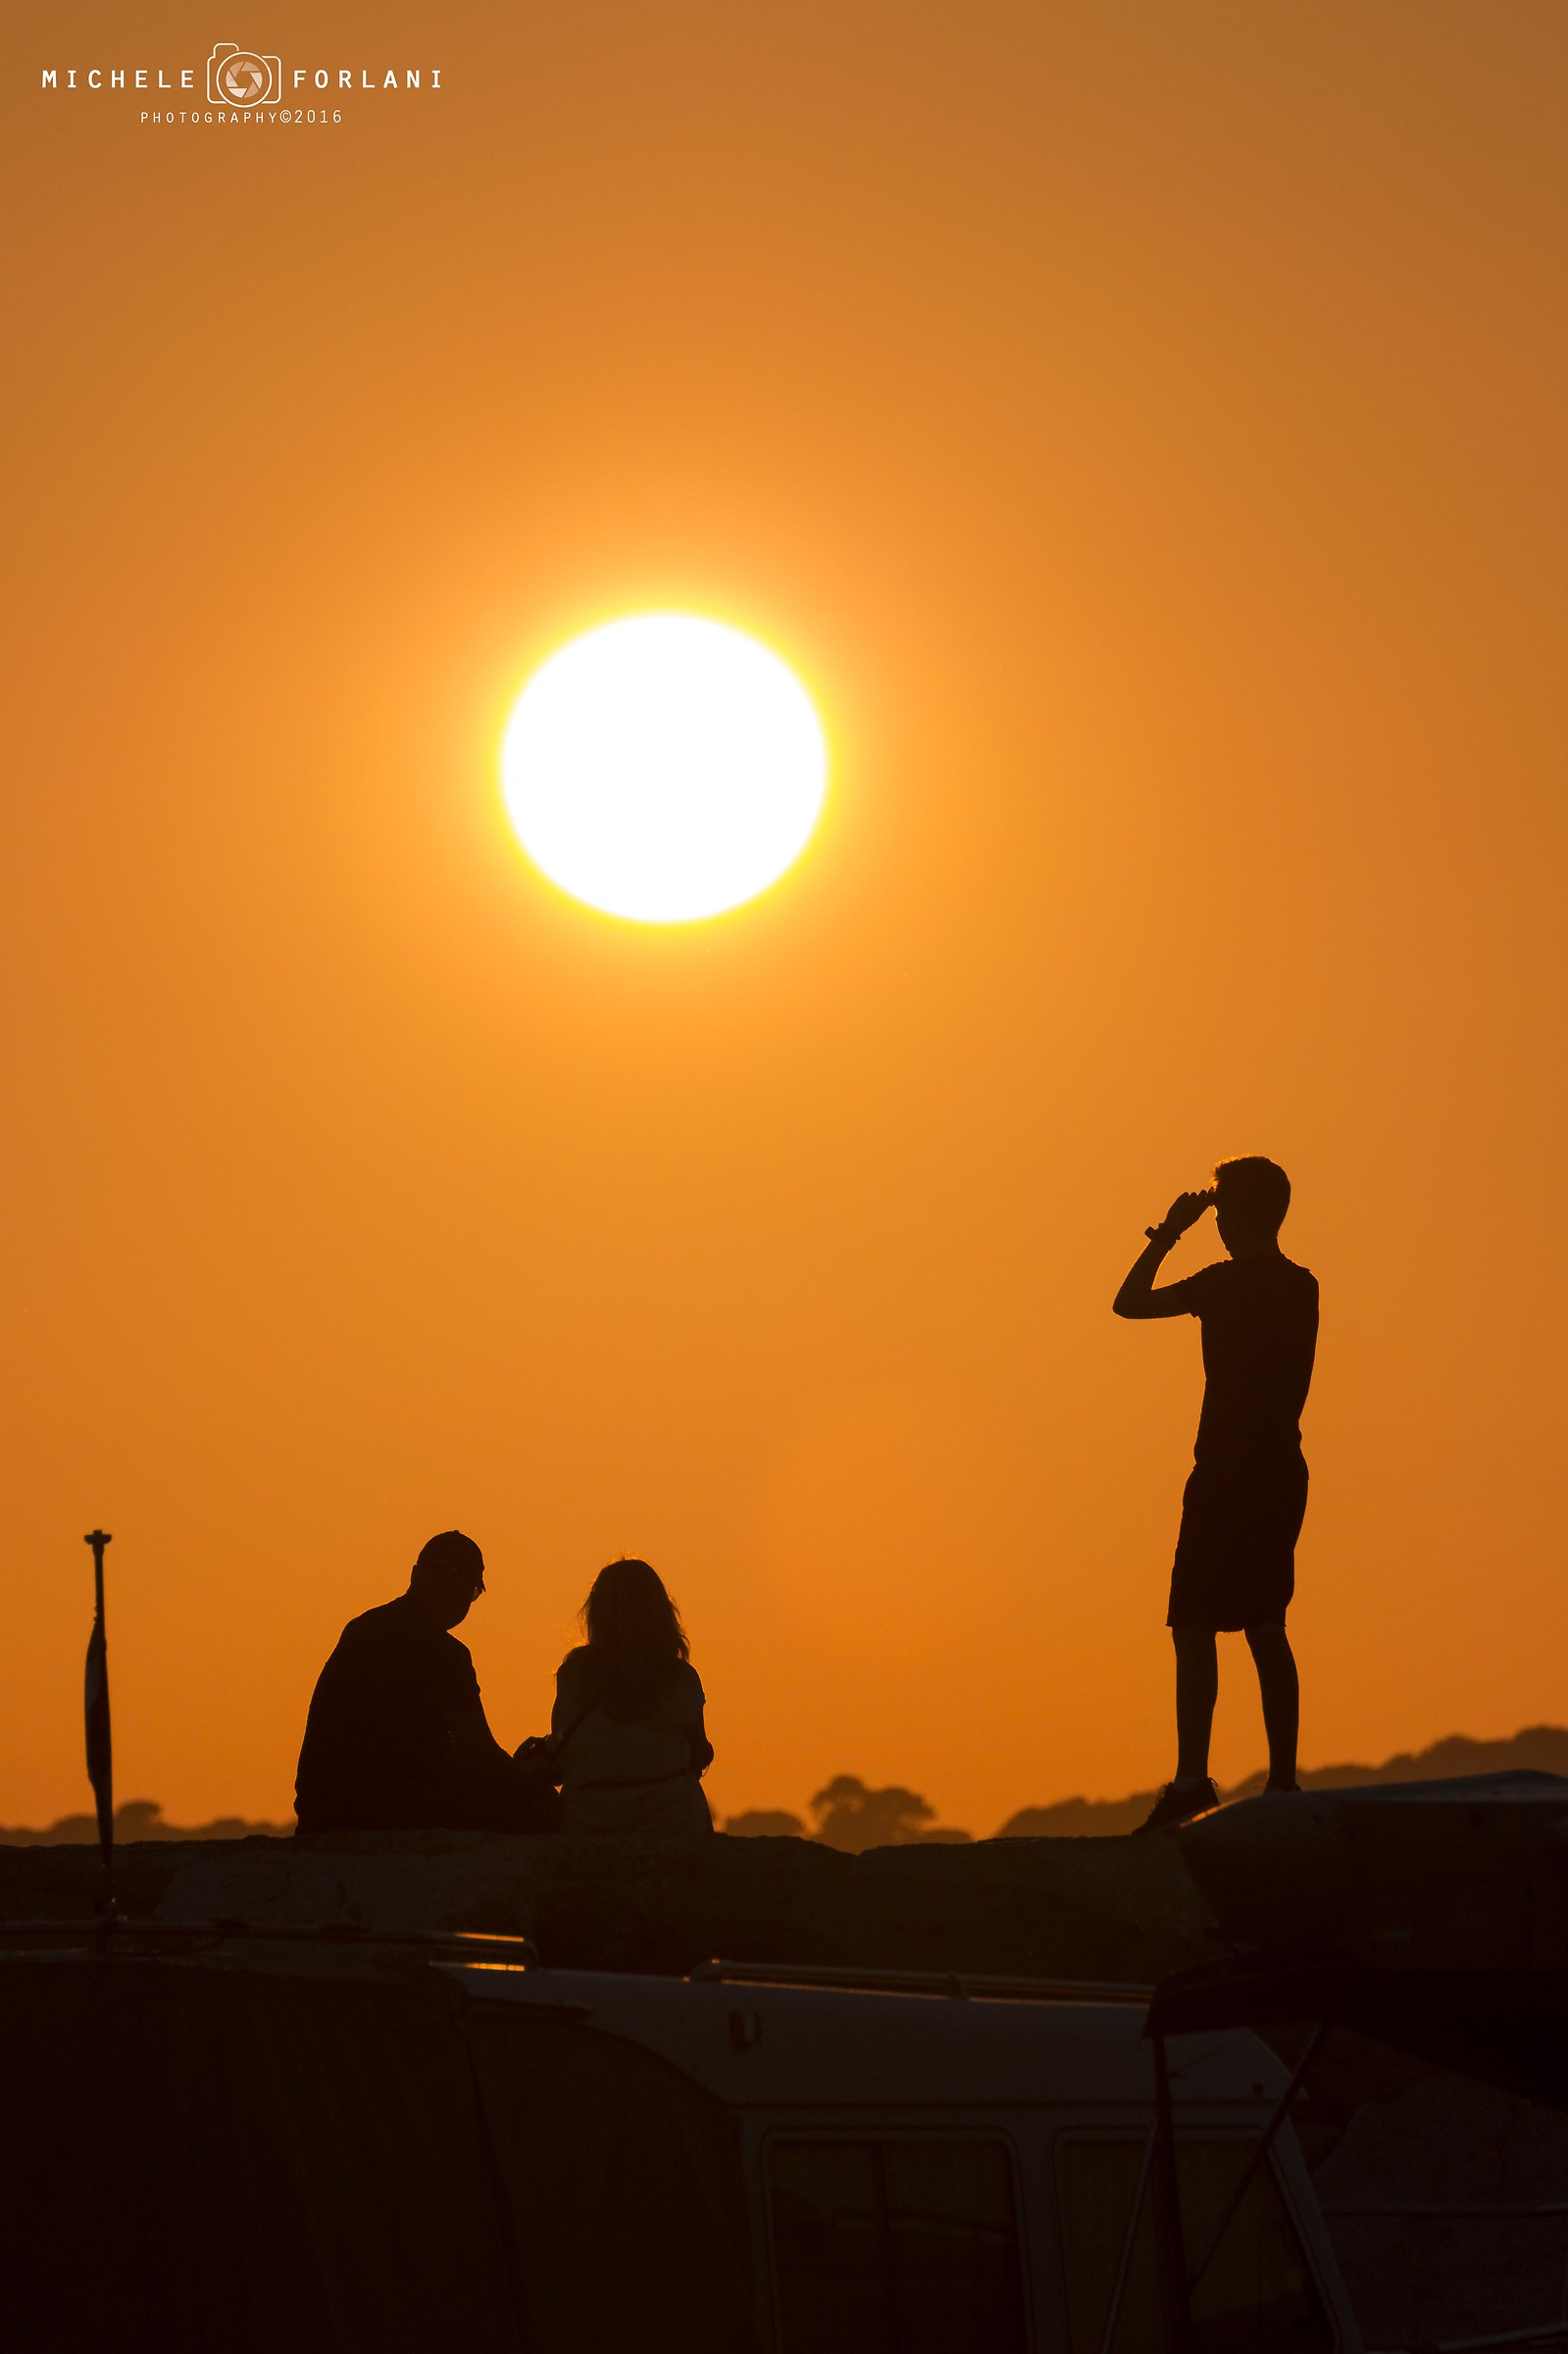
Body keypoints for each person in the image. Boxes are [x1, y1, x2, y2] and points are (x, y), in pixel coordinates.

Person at [1113, 1156, 1319, 1833]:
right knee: (1264, 1624)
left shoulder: (1223, 1284)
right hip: (1277, 1470)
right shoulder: (1300, 1286)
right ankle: (1282, 1781)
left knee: (1195, 1624)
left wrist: (1166, 1233)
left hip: (1228, 1471)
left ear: (1231, 1217)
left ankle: (1191, 1779)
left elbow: (1128, 1302)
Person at [294, 1529, 548, 1834]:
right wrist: (527, 1778)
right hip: (388, 1815)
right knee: (538, 1806)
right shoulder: (444, 1654)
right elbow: (478, 1753)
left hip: (323, 1812)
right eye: (471, 1593)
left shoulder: (363, 1630)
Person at [549, 1558, 714, 1835]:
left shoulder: (574, 1674)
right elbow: (700, 1753)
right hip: (667, 1818)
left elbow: (564, 1747)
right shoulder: (680, 1677)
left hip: (588, 1819)